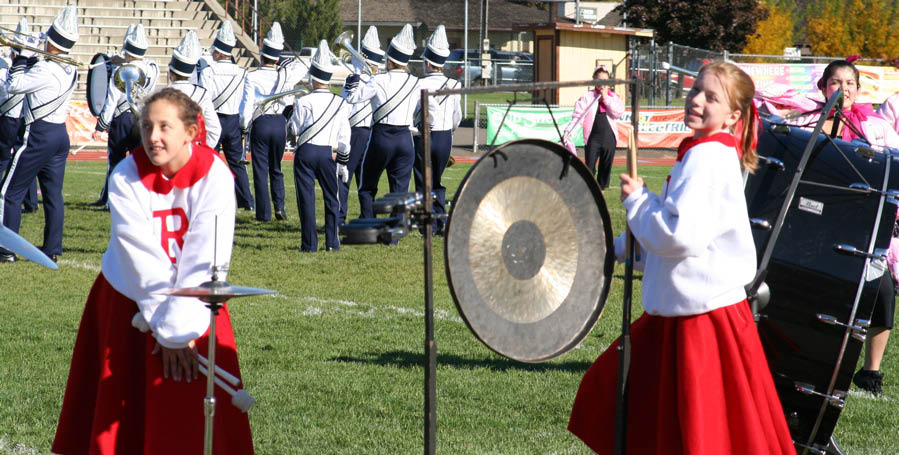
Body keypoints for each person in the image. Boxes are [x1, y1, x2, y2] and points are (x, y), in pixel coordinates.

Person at [568, 61, 795, 455]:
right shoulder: (704, 152)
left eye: (712, 97)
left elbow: (680, 236)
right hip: (684, 314)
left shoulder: (706, 158)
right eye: (695, 91)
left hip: (701, 321)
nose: (698, 101)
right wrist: (618, 248)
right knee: (642, 413)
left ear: (733, 115)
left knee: (697, 434)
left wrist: (638, 200)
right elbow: (679, 236)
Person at [51, 88, 253, 454]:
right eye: (146, 127)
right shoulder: (126, 174)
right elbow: (138, 253)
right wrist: (168, 328)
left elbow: (205, 254)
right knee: (120, 407)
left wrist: (178, 332)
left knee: (189, 415)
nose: (153, 137)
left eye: (165, 127)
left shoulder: (216, 176)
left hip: (197, 303)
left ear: (191, 131)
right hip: (128, 298)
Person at [0, 6, 80, 264]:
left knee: (9, 192)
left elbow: (14, 85)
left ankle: (5, 248)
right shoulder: (70, 69)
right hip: (60, 135)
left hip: (39, 134)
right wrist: (33, 58)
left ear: (53, 44)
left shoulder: (45, 70)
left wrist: (22, 57)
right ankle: (52, 248)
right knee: (53, 195)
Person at [344, 23, 420, 219]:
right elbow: (428, 109)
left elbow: (353, 98)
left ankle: (369, 223)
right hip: (405, 138)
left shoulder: (378, 80)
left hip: (381, 137)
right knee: (400, 190)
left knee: (367, 186)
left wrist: (350, 84)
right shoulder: (416, 82)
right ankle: (395, 233)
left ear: (389, 59)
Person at [288, 40, 350, 252]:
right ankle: (332, 242)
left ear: (313, 78)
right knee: (332, 198)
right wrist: (343, 162)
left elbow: (294, 130)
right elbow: (344, 136)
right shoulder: (340, 102)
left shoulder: (304, 101)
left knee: (306, 199)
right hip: (326, 153)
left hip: (305, 152)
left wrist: (292, 111)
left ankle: (309, 245)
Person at [240, 22, 305, 222]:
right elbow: (305, 65)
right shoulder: (284, 75)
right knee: (276, 168)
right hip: (279, 123)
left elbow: (246, 106)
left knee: (260, 170)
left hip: (260, 124)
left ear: (261, 55)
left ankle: (264, 213)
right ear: (277, 57)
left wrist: (243, 127)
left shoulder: (252, 76)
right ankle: (280, 207)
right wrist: (286, 62)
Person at [91, 23, 159, 209]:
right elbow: (142, 65)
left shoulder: (120, 72)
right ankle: (137, 200)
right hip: (142, 120)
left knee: (116, 160)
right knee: (140, 162)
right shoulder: (153, 68)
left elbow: (111, 102)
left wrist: (101, 126)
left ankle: (110, 201)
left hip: (122, 119)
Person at [412, 25, 461, 235]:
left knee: (423, 181)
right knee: (438, 181)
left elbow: (414, 111)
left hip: (424, 136)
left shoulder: (419, 83)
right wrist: (450, 131)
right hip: (444, 136)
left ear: (428, 62)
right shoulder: (455, 84)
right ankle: (441, 222)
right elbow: (457, 115)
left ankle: (427, 226)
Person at [200, 21, 254, 211]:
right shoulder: (242, 72)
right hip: (233, 121)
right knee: (237, 163)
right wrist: (244, 123)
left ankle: (208, 199)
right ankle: (246, 201)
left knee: (208, 161)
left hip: (213, 119)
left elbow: (203, 97)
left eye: (215, 50)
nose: (213, 53)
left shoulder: (208, 70)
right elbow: (247, 101)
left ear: (220, 52)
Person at [794, 59, 899, 148]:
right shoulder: (804, 123)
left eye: (850, 83)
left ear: (857, 89)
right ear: (824, 89)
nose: (844, 88)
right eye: (836, 82)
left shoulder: (878, 126)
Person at [338, 25, 383, 225]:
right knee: (367, 180)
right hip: (373, 133)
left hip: (355, 133)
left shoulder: (353, 79)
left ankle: (339, 217)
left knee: (344, 178)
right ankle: (368, 217)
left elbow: (344, 106)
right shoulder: (381, 80)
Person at [562, 65, 624, 189]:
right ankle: (588, 192)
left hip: (609, 138)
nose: (602, 84)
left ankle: (602, 192)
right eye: (599, 80)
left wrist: (605, 97)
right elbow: (578, 117)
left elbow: (618, 113)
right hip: (592, 138)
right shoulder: (588, 97)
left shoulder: (614, 97)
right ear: (594, 80)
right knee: (589, 168)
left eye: (605, 81)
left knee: (605, 168)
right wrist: (568, 131)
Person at [0, 19, 39, 214]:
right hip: (25, 117)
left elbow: (7, 89)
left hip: (10, 118)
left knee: (4, 159)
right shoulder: (34, 66)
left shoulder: (8, 65)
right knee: (23, 161)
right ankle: (31, 201)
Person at [168, 30, 221, 148]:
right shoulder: (201, 94)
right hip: (193, 150)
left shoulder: (162, 94)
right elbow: (214, 129)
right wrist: (201, 150)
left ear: (171, 72)